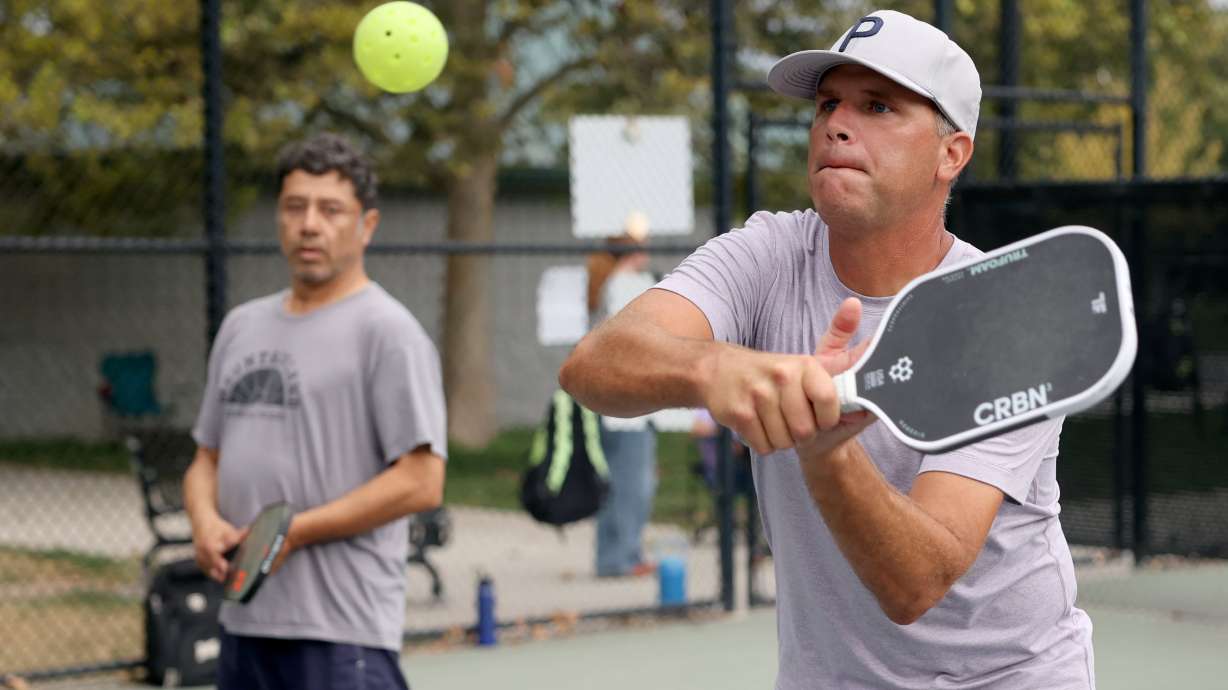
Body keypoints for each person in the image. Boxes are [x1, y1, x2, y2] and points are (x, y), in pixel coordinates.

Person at [560, 10, 1095, 689]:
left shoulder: (1000, 315)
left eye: (878, 106)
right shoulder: (767, 251)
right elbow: (595, 363)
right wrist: (714, 365)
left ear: (950, 153)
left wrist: (828, 450)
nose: (837, 124)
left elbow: (917, 581)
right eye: (827, 104)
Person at [183, 132, 446, 690]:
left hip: (342, 634)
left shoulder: (390, 333)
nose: (309, 224)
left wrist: (293, 533)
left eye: (331, 210)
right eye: (295, 207)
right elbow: (205, 458)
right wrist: (204, 522)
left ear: (366, 226)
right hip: (243, 625)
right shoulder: (241, 327)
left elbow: (422, 482)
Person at [586, 212, 659, 577]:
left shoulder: (610, 281)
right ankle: (621, 557)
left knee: (623, 478)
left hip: (617, 399)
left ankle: (617, 554)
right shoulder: (626, 283)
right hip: (628, 401)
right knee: (631, 481)